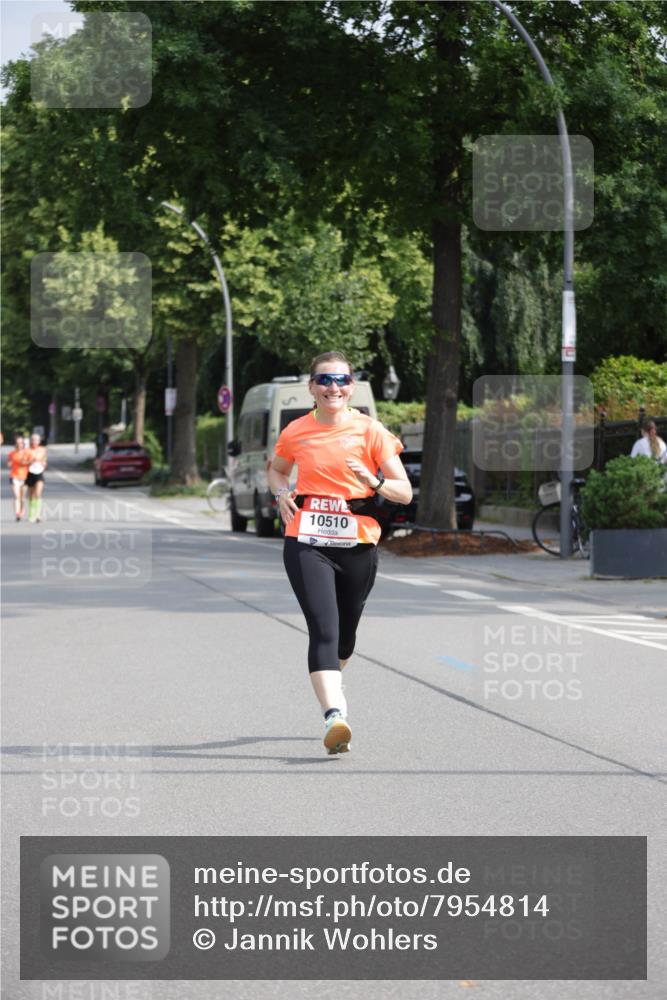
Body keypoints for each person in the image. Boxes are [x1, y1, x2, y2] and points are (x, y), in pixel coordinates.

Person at [268, 351, 412, 755]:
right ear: (311, 387)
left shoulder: (371, 431)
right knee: (323, 629)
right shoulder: (296, 431)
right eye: (325, 380)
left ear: (351, 386)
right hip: (307, 541)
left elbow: (404, 492)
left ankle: (335, 681)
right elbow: (277, 469)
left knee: (345, 637)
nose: (334, 387)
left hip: (357, 543)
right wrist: (281, 493)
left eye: (342, 380)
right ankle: (333, 715)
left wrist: (376, 481)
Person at [25, 432, 48, 523]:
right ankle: (31, 513)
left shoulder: (42, 450)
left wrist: (43, 463)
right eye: (33, 439)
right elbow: (23, 462)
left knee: (38, 493)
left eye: (36, 440)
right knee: (31, 495)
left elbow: (45, 461)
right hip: (30, 473)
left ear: (39, 441)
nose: (35, 441)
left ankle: (37, 515)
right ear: (31, 441)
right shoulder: (27, 450)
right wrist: (30, 461)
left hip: (39, 473)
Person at [7, 434, 29, 521]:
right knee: (16, 496)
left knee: (22, 498)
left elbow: (31, 462)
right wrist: (10, 463)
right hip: (14, 476)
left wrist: (25, 462)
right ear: (15, 444)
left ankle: (22, 510)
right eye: (17, 443)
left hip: (25, 476)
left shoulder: (27, 453)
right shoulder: (12, 453)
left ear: (23, 444)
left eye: (21, 443)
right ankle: (17, 514)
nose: (19, 444)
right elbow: (9, 463)